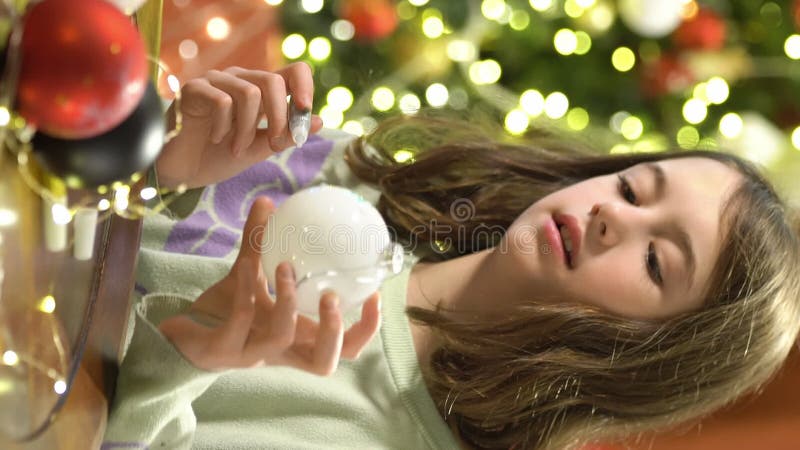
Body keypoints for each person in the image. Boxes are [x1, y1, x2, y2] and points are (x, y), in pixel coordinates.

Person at [103, 63, 800, 450]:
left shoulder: (388, 435)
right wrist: (148, 168)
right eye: (632, 187)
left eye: (657, 262)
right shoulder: (354, 173)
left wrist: (186, 355)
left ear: (652, 359)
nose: (612, 217)